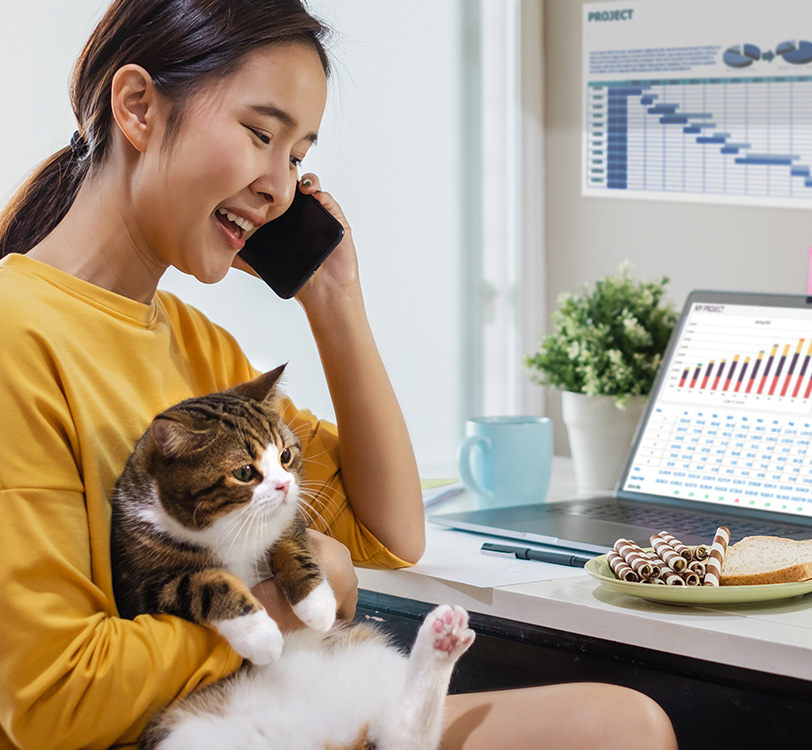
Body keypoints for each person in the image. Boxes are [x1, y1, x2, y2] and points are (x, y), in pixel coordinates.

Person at [0, 1, 677, 748]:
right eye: (260, 135)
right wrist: (276, 608)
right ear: (137, 108)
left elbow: (389, 531)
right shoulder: (17, 334)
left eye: (296, 157)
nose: (280, 189)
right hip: (179, 733)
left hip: (274, 710)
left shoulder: (198, 347)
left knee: (621, 726)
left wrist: (335, 300)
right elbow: (54, 699)